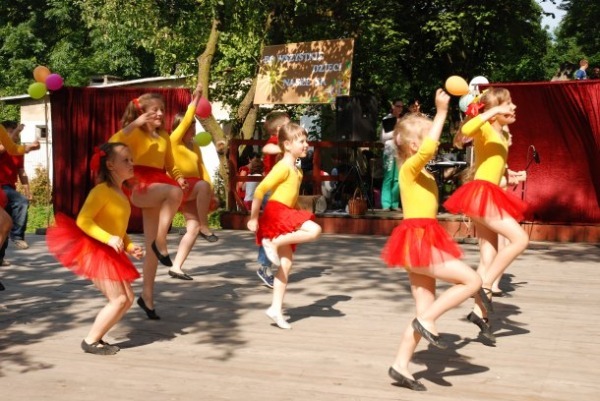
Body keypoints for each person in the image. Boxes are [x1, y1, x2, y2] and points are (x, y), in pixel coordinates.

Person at [381, 89, 482, 391]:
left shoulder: (421, 170)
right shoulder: (410, 167)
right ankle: (425, 323)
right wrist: (440, 113)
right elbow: (428, 149)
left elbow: (434, 152)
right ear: (414, 145)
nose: (432, 145)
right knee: (471, 281)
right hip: (417, 241)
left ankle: (400, 364)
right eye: (426, 139)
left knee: (425, 309)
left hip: (423, 239)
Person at [444, 87, 529, 344]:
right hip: (482, 194)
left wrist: (510, 175)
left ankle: (480, 315)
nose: (513, 107)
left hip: (491, 192)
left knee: (488, 256)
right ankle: (488, 285)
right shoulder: (483, 127)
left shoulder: (502, 133)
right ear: (495, 111)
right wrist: (492, 110)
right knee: (520, 240)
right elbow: (466, 131)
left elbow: (492, 164)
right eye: (509, 104)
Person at [46, 143, 143, 355]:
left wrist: (130, 246)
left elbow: (119, 229)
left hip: (109, 251)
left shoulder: (120, 193)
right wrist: (108, 239)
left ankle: (97, 338)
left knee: (127, 299)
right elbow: (83, 220)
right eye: (125, 160)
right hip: (96, 251)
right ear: (110, 165)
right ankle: (90, 341)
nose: (131, 163)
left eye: (131, 159)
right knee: (118, 299)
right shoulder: (101, 191)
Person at [109, 93, 186, 319]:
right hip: (138, 183)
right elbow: (111, 144)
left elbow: (171, 164)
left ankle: (148, 297)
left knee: (151, 245)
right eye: (155, 110)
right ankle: (162, 241)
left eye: (162, 109)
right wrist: (134, 125)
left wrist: (179, 176)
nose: (161, 114)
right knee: (173, 193)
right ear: (142, 113)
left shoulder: (164, 136)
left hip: (160, 183)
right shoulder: (133, 133)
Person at [247, 122, 322, 330]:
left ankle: (275, 309)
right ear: (288, 145)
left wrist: (297, 213)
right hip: (276, 213)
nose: (306, 145)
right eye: (302, 141)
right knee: (315, 230)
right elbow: (261, 190)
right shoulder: (283, 167)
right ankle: (272, 241)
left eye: (306, 140)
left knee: (286, 265)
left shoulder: (296, 170)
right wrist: (253, 218)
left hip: (285, 213)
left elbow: (292, 198)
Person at [168, 84, 218, 281]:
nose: (193, 130)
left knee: (192, 228)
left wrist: (210, 189)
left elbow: (202, 168)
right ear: (182, 128)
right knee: (200, 224)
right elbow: (188, 118)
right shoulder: (173, 140)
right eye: (191, 127)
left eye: (195, 127)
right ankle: (206, 226)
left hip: (193, 188)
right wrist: (195, 99)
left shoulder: (194, 147)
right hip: (179, 187)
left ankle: (176, 267)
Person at [0, 123, 39, 287]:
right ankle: (17, 235)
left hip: (6, 190)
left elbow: (12, 148)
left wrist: (28, 147)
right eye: (9, 132)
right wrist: (16, 131)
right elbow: (4, 148)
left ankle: (14, 238)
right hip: (3, 188)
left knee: (5, 224)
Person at [255, 111, 291, 289]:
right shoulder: (273, 142)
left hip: (281, 192)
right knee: (272, 231)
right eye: (288, 123)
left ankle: (270, 263)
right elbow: (266, 149)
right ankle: (264, 266)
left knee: (278, 230)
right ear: (279, 129)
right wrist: (285, 149)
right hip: (270, 192)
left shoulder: (283, 143)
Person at [380, 99, 403, 211]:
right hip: (389, 151)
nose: (399, 108)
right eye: (397, 106)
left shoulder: (403, 121)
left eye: (401, 107)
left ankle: (394, 204)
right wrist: (395, 132)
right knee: (388, 177)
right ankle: (386, 204)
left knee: (397, 178)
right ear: (393, 106)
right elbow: (383, 137)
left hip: (399, 151)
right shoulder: (387, 119)